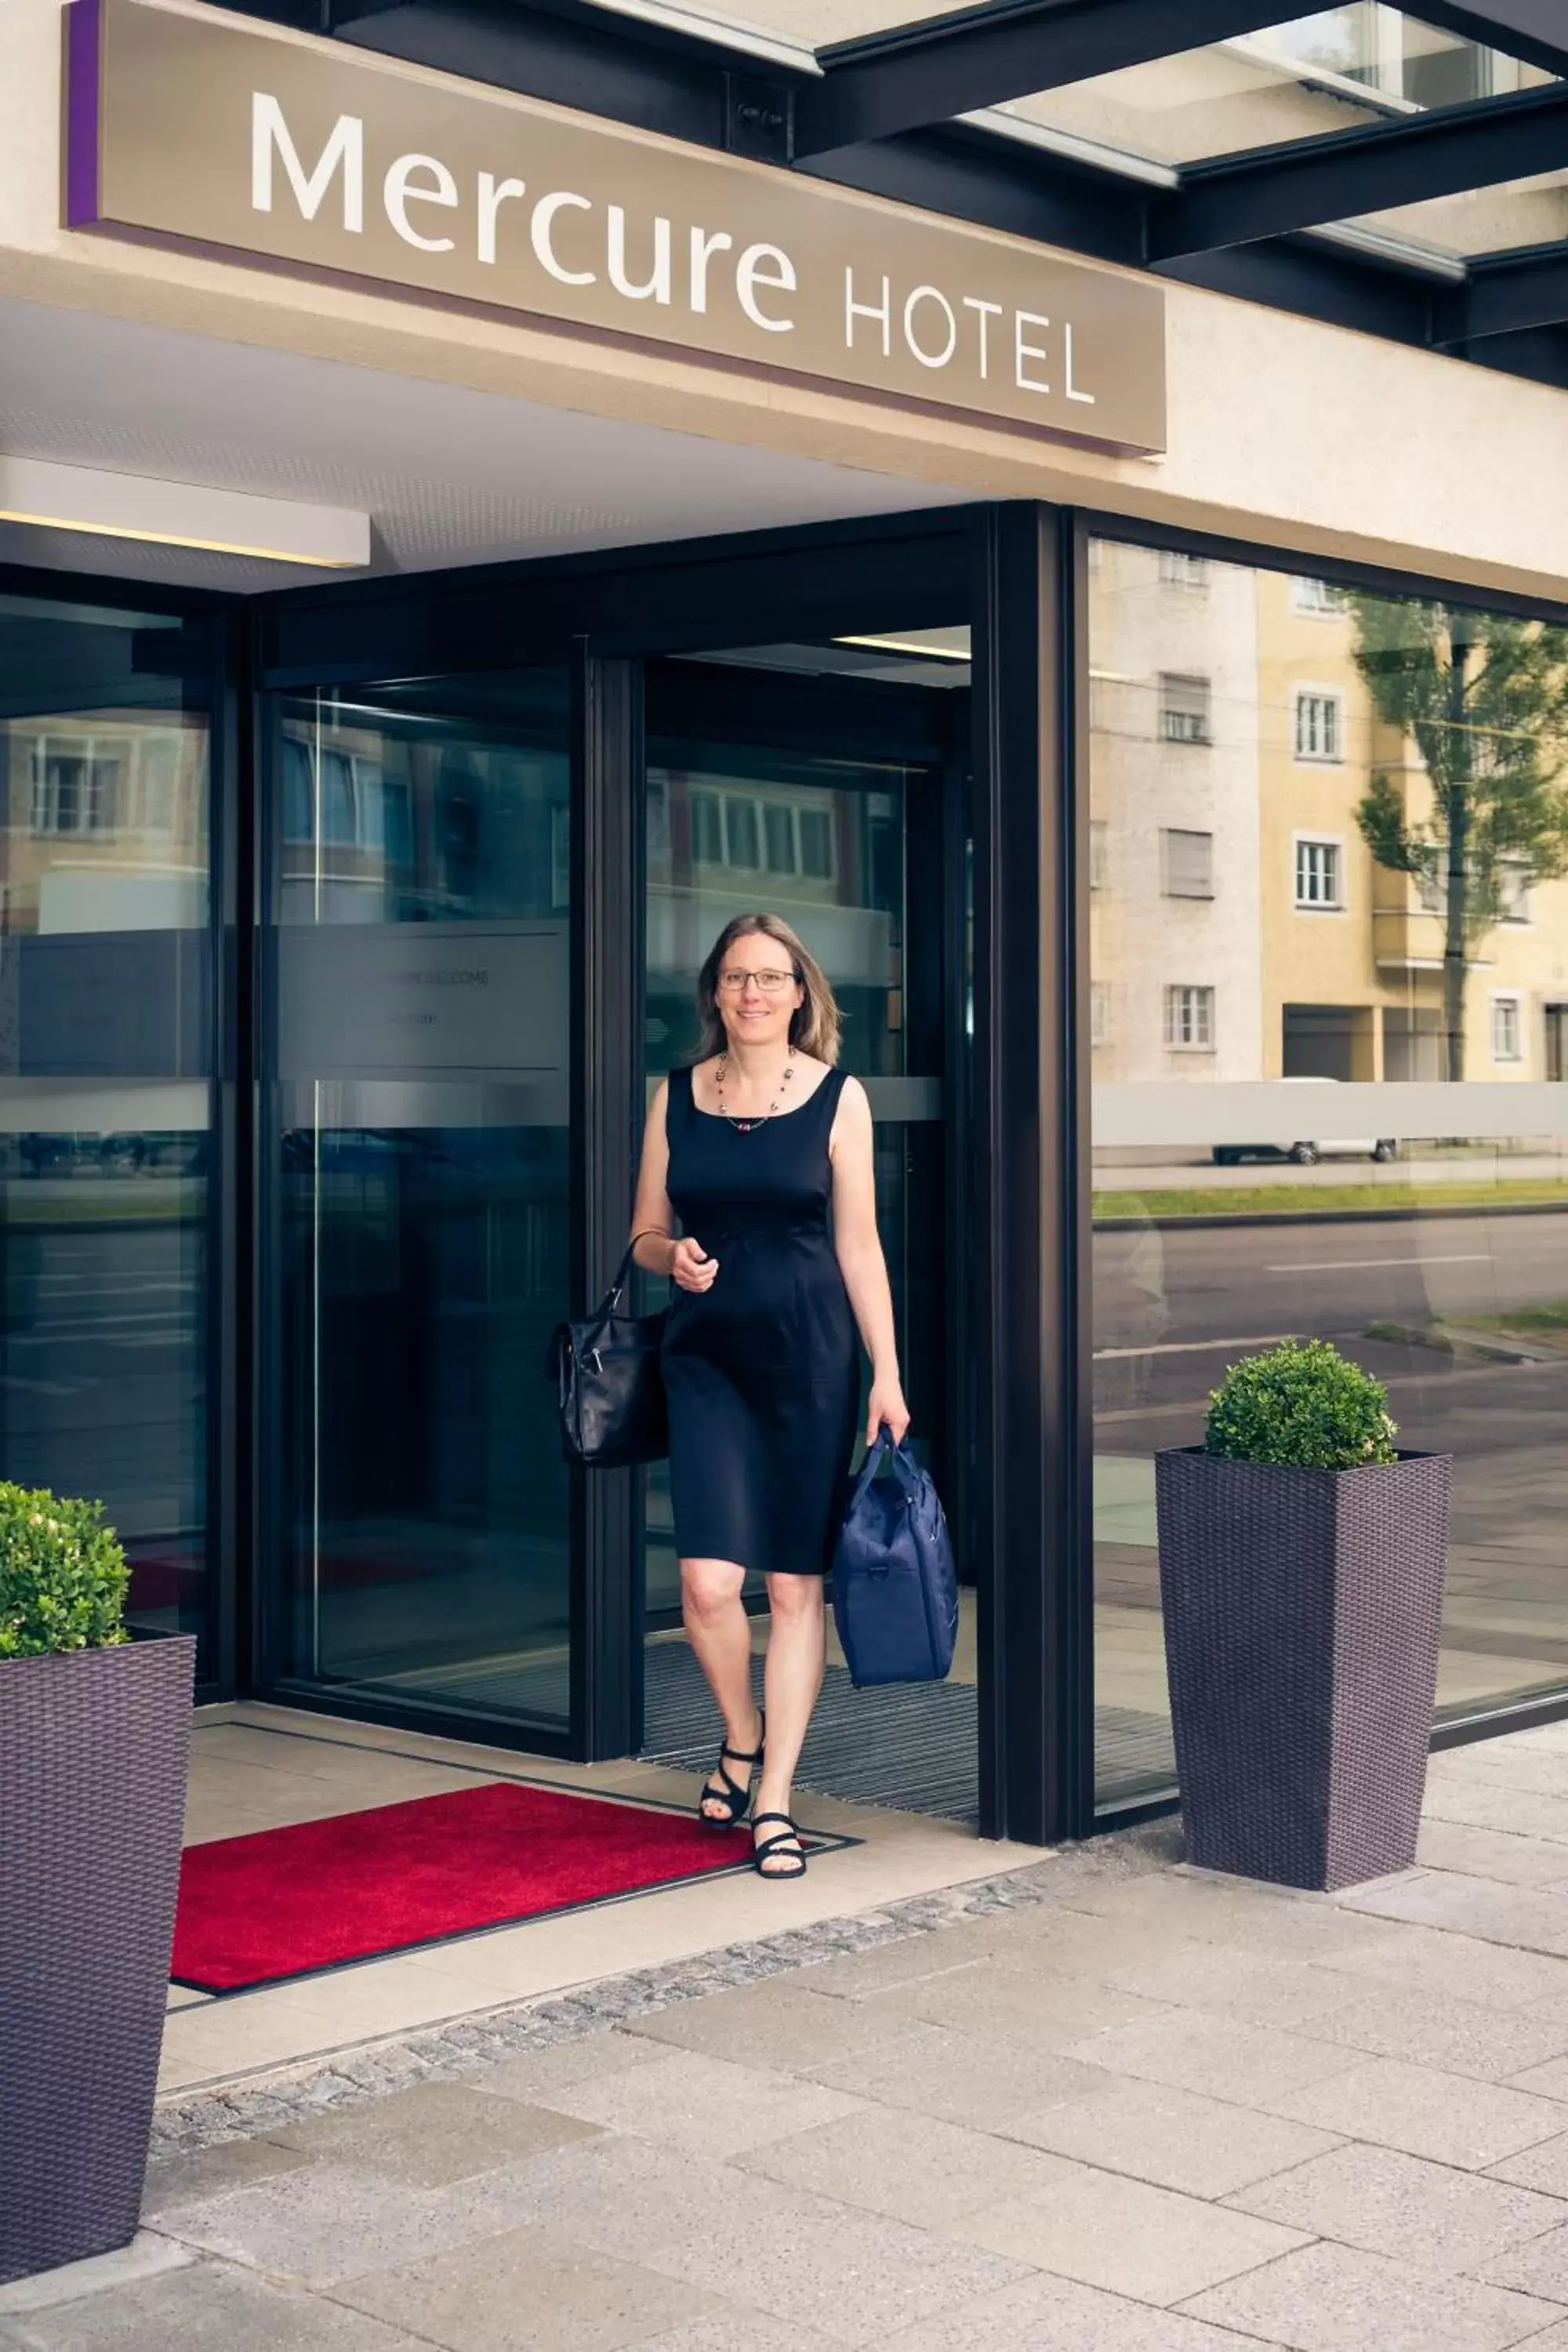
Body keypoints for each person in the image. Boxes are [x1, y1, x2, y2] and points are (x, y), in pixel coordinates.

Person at [630, 912, 909, 1879]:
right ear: (714, 993)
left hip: (811, 1358)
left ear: (801, 995)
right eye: (737, 978)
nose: (754, 994)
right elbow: (640, 1236)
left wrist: (888, 1371)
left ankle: (775, 1797)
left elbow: (858, 1244)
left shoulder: (839, 1099)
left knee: (794, 1585)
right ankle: (739, 1735)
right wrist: (675, 1258)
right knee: (705, 1582)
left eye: (772, 978)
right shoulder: (673, 1097)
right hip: (704, 1357)